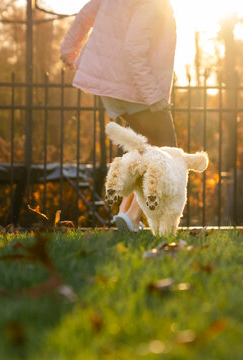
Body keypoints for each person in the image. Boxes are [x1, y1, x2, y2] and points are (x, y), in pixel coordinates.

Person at [60, 0, 178, 232]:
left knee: (149, 151)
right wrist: (154, 97)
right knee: (167, 153)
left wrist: (68, 51)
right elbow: (133, 51)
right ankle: (133, 215)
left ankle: (125, 215)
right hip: (133, 86)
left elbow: (86, 14)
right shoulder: (154, 4)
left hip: (116, 84)